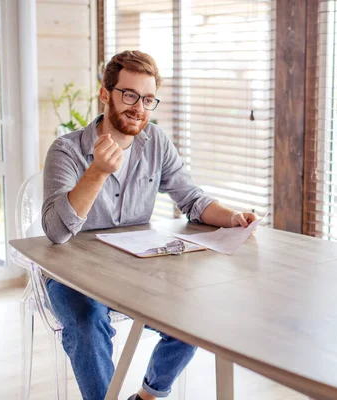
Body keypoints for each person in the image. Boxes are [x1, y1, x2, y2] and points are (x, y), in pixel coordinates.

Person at [41, 50, 257, 400]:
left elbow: (192, 199)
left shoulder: (155, 142)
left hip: (132, 267)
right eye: (128, 95)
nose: (138, 107)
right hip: (73, 274)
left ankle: (148, 396)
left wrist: (231, 217)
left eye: (147, 99)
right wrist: (96, 172)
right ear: (104, 93)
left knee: (191, 315)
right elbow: (55, 231)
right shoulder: (66, 151)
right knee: (86, 324)